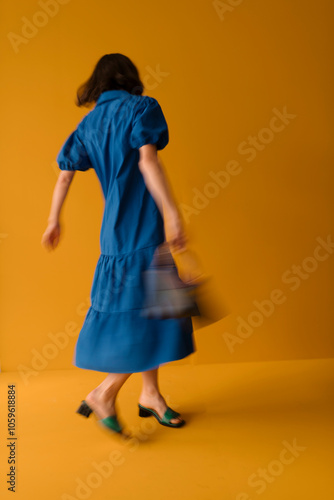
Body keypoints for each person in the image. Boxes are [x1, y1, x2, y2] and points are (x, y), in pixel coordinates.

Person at [41, 53, 196, 436]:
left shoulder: (88, 123)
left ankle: (151, 396)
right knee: (150, 314)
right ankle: (104, 392)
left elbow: (63, 177)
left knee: (152, 309)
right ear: (130, 78)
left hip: (113, 234)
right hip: (142, 227)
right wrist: (173, 213)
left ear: (98, 83)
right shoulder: (142, 108)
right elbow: (148, 163)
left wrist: (52, 220)